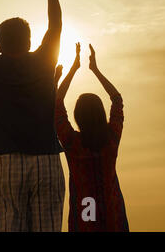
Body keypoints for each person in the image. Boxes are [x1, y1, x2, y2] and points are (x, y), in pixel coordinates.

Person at [0, 0, 65, 232]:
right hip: (46, 158)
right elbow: (55, 25)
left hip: (7, 160)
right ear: (29, 41)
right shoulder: (43, 60)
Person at [55, 43, 129, 232]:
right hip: (114, 219)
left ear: (78, 117)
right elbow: (117, 99)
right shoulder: (111, 140)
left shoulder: (73, 144)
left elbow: (56, 104)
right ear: (101, 114)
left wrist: (73, 69)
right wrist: (95, 70)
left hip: (84, 221)